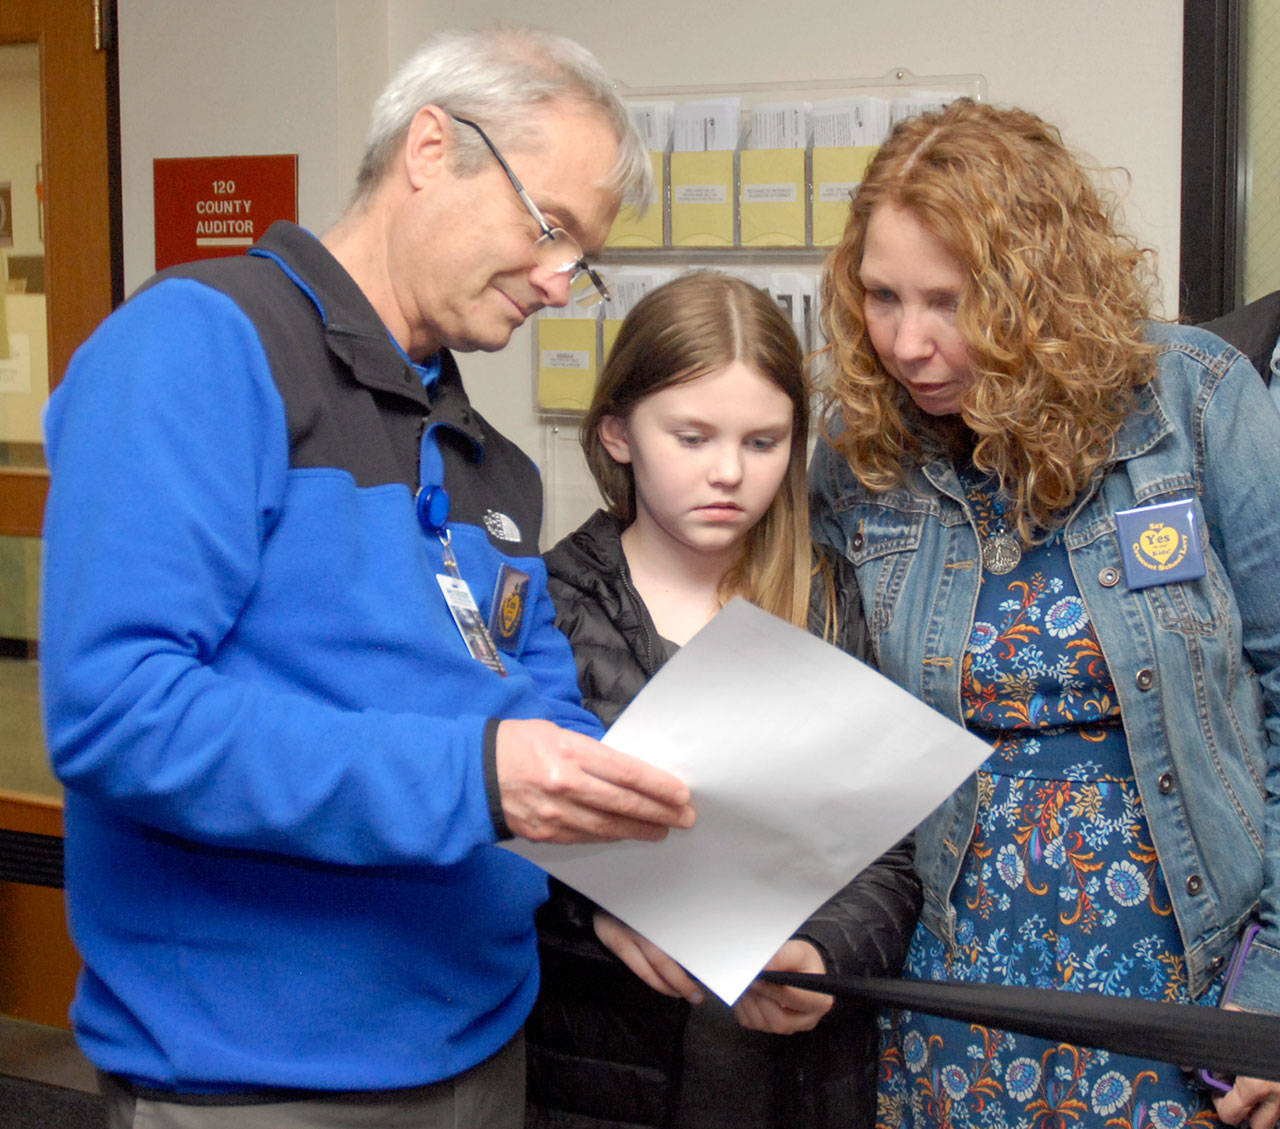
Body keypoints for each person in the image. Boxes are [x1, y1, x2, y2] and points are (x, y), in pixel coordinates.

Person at [39, 26, 697, 1129]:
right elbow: (119, 712)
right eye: (550, 229)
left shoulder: (486, 457)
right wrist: (472, 775)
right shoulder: (200, 346)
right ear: (430, 149)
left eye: (579, 260)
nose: (555, 280)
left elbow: (530, 709)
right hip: (263, 1079)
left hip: (482, 1048)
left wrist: (616, 882)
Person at [809, 98, 1280, 1129]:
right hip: (949, 965)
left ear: (1040, 287)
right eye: (881, 297)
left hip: (1185, 961)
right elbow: (827, 728)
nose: (906, 342)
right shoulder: (857, 457)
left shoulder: (1194, 404)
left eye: (948, 300)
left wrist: (1270, 991)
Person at [525, 271, 922, 1129]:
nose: (730, 473)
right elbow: (498, 842)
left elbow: (885, 857)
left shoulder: (823, 596)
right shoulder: (548, 602)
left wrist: (822, 954)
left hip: (792, 1075)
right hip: (604, 1071)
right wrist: (592, 912)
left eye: (764, 442)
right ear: (618, 433)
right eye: (693, 436)